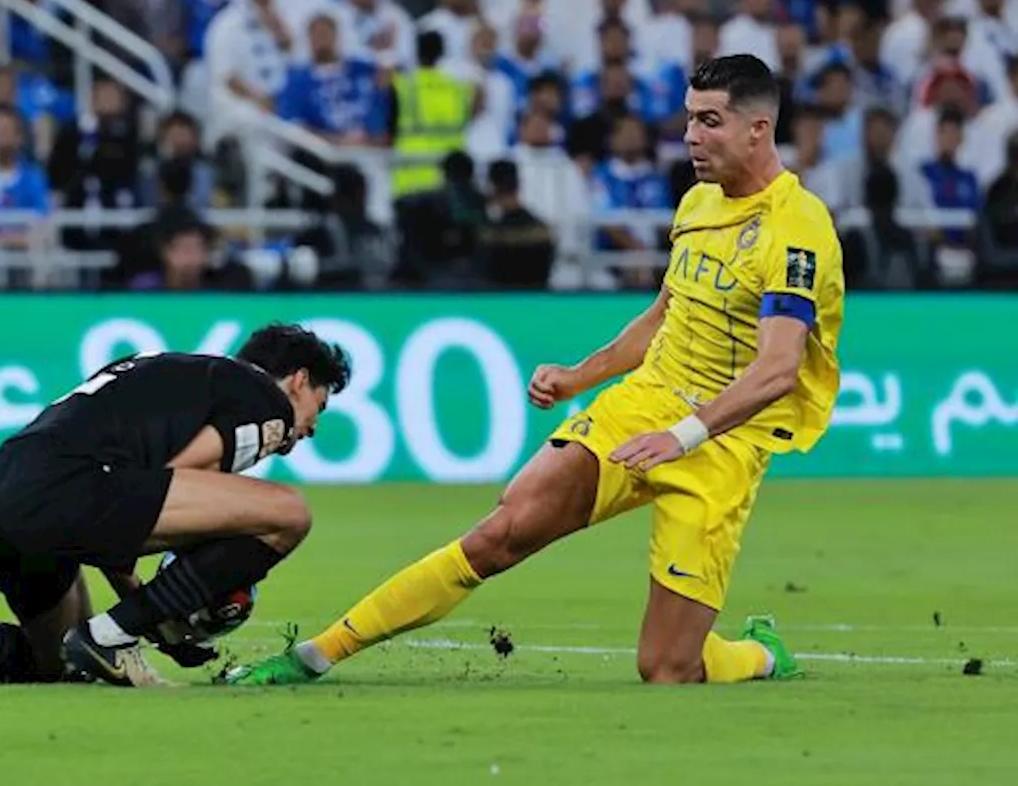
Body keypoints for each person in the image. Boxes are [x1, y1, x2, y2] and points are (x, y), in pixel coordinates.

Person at [227, 55, 845, 687]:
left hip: (721, 442)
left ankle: (762, 654)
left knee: (666, 669)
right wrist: (582, 376)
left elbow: (775, 370)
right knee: (503, 530)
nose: (691, 136)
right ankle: (317, 654)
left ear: (758, 129)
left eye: (710, 121)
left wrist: (682, 436)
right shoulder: (697, 204)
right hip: (645, 406)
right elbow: (667, 313)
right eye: (688, 118)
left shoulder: (797, 229)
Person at [0, 324, 351, 689]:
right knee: (286, 513)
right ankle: (111, 638)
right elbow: (171, 480)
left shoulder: (177, 374)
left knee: (56, 660)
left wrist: (144, 611)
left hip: (1, 490)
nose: (311, 427)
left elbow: (132, 508)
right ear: (299, 380)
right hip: (70, 488)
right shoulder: (264, 401)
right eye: (318, 405)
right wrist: (150, 619)